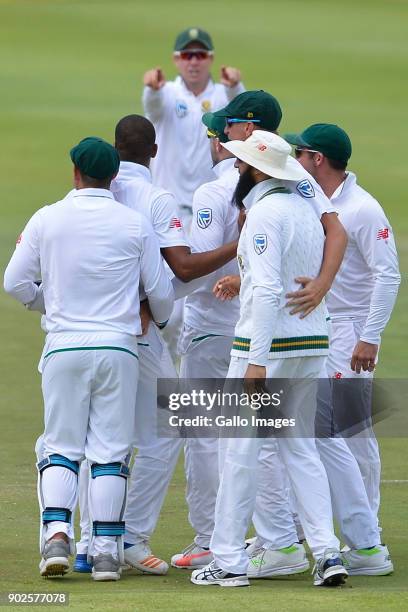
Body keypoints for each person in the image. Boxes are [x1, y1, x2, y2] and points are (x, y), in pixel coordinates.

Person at [72, 115, 239, 576]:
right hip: (136, 334)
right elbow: (181, 271)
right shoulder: (155, 198)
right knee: (168, 433)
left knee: (96, 434)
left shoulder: (76, 198)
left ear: (112, 149)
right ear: (155, 151)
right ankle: (129, 537)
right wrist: (237, 245)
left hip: (76, 332)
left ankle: (88, 541)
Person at [3, 137, 174, 582]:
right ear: (114, 176)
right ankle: (104, 555)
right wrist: (152, 317)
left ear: (75, 172)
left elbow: (14, 282)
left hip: (64, 345)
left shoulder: (48, 217)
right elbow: (161, 296)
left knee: (61, 445)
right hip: (119, 348)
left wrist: (49, 303)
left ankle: (57, 533)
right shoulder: (135, 223)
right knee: (110, 452)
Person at [191, 131, 347, 588]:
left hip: (269, 348)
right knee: (301, 450)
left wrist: (256, 361)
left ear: (259, 170)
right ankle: (327, 552)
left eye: (241, 163)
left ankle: (227, 560)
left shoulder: (264, 214)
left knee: (238, 450)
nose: (235, 168)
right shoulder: (302, 208)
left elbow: (264, 290)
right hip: (308, 342)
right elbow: (277, 275)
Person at [285, 123, 400, 573]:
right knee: (314, 432)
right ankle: (308, 528)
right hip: (315, 330)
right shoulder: (311, 200)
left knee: (352, 433)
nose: (295, 158)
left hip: (350, 333)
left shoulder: (363, 208)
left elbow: (387, 275)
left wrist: (370, 336)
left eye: (300, 151)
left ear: (318, 159)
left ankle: (366, 536)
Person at [171, 112, 240, 569]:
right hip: (263, 330)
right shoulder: (295, 184)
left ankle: (213, 540)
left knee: (204, 436)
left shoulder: (213, 193)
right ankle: (283, 537)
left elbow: (195, 269)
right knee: (261, 437)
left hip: (212, 328)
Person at [143, 26, 244, 220]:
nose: (194, 62)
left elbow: (240, 107)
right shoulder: (166, 93)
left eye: (200, 55)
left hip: (212, 205)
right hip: (168, 207)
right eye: (187, 55)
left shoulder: (223, 95)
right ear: (176, 59)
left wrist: (235, 86)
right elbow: (153, 105)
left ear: (211, 58)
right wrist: (152, 89)